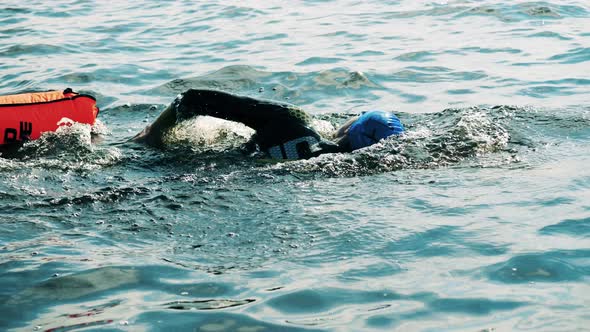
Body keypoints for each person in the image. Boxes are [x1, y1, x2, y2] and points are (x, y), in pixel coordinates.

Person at [133, 89, 404, 160]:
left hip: (193, 166)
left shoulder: (294, 121)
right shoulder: (349, 169)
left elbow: (191, 98)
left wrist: (153, 133)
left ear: (350, 129)